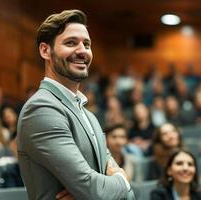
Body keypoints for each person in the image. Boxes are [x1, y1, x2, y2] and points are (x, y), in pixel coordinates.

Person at [17, 9, 134, 200]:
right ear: (45, 50)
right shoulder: (41, 109)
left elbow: (125, 196)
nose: (82, 51)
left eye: (86, 44)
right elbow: (94, 191)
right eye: (71, 43)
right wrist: (123, 180)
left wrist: (112, 187)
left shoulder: (89, 116)